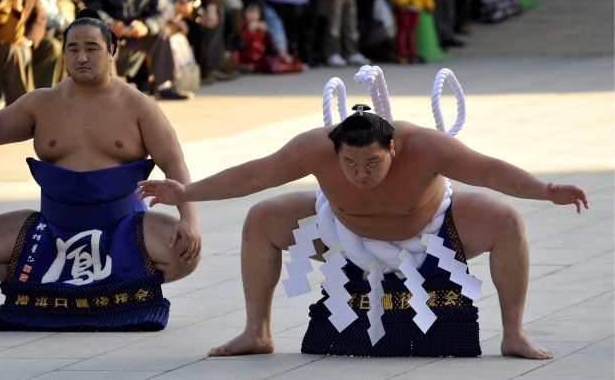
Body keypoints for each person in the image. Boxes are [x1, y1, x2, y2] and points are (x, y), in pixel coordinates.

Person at [137, 104, 588, 359]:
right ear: (335, 151)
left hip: (432, 229)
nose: (360, 172)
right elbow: (257, 173)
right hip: (342, 231)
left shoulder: (427, 146)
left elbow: (489, 170)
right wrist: (188, 191)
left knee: (506, 220)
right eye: (349, 163)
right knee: (262, 217)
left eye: (372, 162)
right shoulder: (315, 147)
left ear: (393, 147)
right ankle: (257, 331)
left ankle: (514, 334)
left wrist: (546, 189)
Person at [0, 9, 200, 330]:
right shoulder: (42, 103)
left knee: (186, 252)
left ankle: (103, 289)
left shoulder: (139, 105)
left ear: (112, 50)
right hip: (55, 228)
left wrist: (189, 219)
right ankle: (64, 289)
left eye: (92, 48)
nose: (82, 57)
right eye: (73, 49)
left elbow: (174, 163)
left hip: (122, 227)